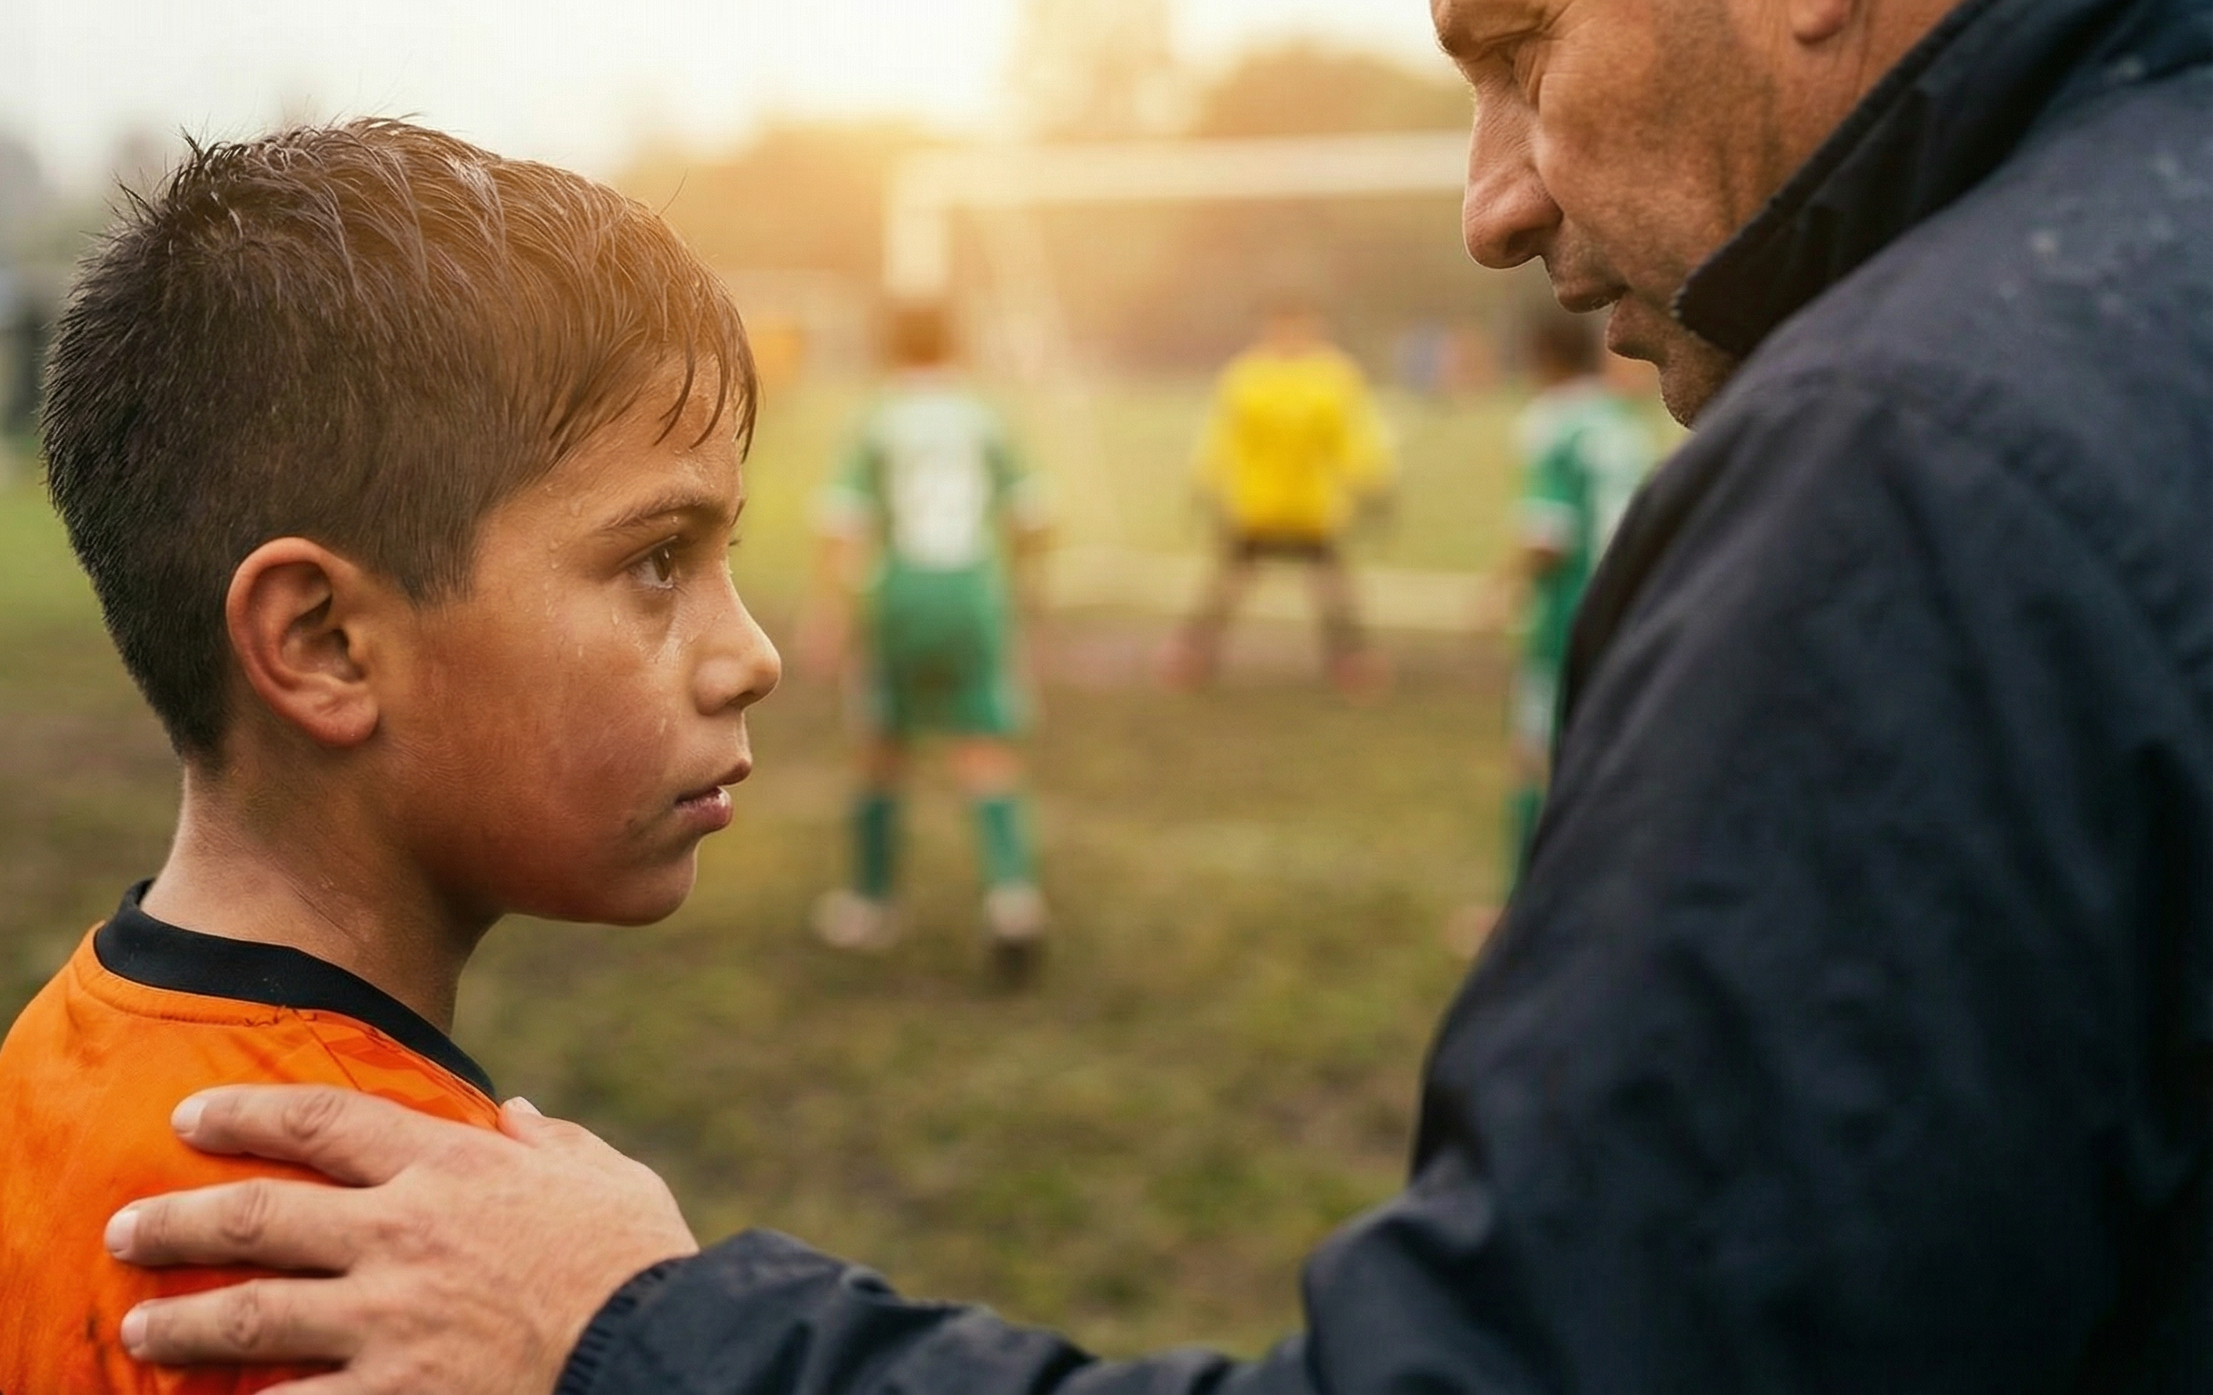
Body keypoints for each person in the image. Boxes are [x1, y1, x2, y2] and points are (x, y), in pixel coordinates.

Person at [107, 0, 2213, 1388]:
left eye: (1515, 43)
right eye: (656, 562)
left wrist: (649, 1341)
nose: (1487, 199)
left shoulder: (1929, 466)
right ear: (309, 641)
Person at [0, 119, 775, 1393]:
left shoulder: (69, 1052)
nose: (749, 656)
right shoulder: (395, 1266)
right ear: (324, 644)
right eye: (656, 561)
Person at [802, 302, 1053, 984]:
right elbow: (1032, 516)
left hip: (902, 595)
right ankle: (1012, 900)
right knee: (984, 744)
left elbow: (844, 526)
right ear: (956, 346)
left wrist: (833, 614)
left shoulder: (877, 419)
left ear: (890, 349)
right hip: (973, 592)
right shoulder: (984, 416)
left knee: (881, 745)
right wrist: (1026, 593)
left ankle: (873, 904)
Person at [1159, 298, 1394, 695]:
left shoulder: (1333, 376)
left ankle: (1351, 663)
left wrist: (1373, 481)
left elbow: (1354, 437)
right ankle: (1193, 656)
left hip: (1313, 509)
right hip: (1258, 507)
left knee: (1334, 593)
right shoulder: (1247, 375)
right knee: (1224, 587)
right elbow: (1223, 436)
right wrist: (1204, 480)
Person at [1501, 310, 1653, 886]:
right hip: (1634, 603)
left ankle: (1524, 912)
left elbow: (1549, 539)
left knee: (1539, 759)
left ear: (1544, 360)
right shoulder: (1621, 418)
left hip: (1569, 612)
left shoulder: (1553, 421)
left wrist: (1499, 591)